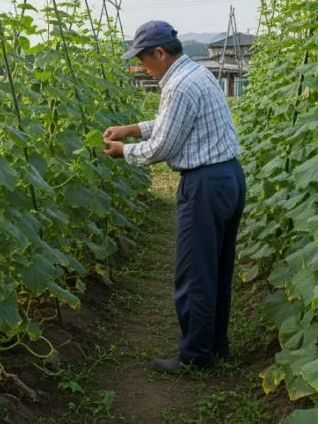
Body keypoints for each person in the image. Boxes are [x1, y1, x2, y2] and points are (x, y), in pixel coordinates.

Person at [102, 20, 245, 374]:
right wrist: (132, 129)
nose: (143, 68)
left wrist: (124, 151)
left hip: (205, 185)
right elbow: (171, 124)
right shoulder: (196, 74)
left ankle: (195, 356)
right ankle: (216, 345)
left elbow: (163, 146)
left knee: (195, 272)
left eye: (144, 60)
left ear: (160, 53)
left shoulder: (179, 86)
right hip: (228, 177)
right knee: (217, 267)